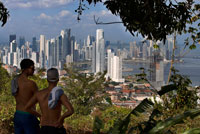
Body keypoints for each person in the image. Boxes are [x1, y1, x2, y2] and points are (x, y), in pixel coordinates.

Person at [25, 68, 74, 134]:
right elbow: (70, 110)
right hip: (56, 127)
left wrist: (39, 116)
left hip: (44, 128)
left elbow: (27, 107)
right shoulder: (60, 95)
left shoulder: (39, 94)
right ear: (58, 79)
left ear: (47, 79)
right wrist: (61, 118)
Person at [11, 59, 40, 134]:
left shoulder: (15, 81)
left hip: (17, 114)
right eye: (32, 68)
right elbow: (40, 99)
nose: (34, 70)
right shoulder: (31, 84)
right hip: (28, 116)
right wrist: (40, 115)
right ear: (26, 69)